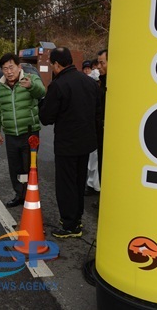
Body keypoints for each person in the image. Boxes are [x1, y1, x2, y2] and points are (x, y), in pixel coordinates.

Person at [39, 47, 102, 238]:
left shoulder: (58, 85)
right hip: (86, 143)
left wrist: (43, 103)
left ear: (57, 65)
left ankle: (69, 224)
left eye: (52, 64)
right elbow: (98, 111)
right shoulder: (89, 83)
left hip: (67, 144)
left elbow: (46, 117)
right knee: (78, 181)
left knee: (66, 184)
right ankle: (77, 219)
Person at [0, 53, 46, 208]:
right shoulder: (0, 87)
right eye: (5, 69)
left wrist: (31, 86)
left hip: (30, 133)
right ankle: (19, 195)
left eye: (11, 67)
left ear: (18, 67)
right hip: (11, 134)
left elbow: (42, 92)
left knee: (29, 166)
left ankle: (31, 195)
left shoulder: (30, 79)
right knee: (15, 167)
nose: (8, 71)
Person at [91, 49, 108, 209]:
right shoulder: (100, 81)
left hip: (110, 133)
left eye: (102, 63)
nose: (99, 66)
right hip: (100, 131)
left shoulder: (114, 83)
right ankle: (103, 197)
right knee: (102, 166)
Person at [82, 60, 101, 197]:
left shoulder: (100, 83)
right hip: (90, 126)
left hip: (97, 126)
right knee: (91, 159)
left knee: (95, 159)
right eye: (86, 68)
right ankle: (92, 184)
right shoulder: (85, 83)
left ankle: (95, 186)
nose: (89, 71)